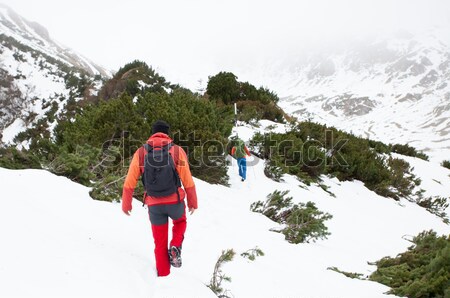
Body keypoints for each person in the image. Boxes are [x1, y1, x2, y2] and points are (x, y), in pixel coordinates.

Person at [122, 120, 198, 277]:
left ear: (153, 132)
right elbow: (187, 179)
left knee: (159, 243)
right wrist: (192, 202)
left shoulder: (141, 153)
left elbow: (130, 180)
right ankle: (176, 245)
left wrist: (126, 203)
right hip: (175, 201)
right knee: (180, 222)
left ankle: (163, 277)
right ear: (167, 133)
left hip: (154, 204)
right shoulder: (176, 151)